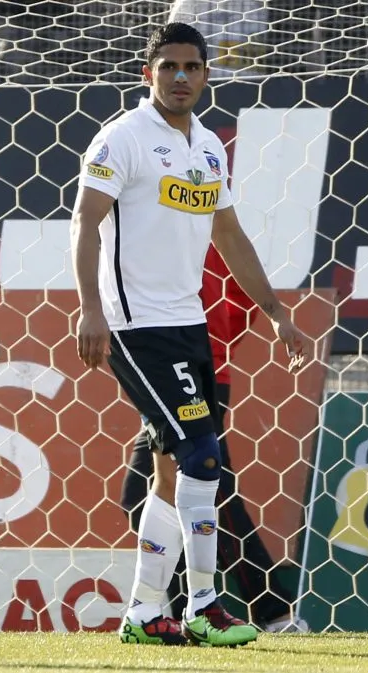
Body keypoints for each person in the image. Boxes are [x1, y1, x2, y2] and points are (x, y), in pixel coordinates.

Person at [71, 22, 308, 647]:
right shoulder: (122, 137)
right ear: (148, 73)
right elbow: (86, 220)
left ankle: (146, 612)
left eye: (191, 67)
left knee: (171, 472)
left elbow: (228, 235)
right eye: (168, 66)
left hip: (187, 324)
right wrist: (91, 308)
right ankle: (204, 605)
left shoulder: (205, 146)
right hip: (135, 324)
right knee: (203, 456)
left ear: (207, 75)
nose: (180, 77)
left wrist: (277, 310)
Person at [120, 245, 309, 633]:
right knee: (151, 493)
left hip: (196, 369)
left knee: (207, 486)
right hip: (165, 370)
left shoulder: (197, 221)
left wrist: (213, 347)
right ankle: (163, 615)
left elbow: (241, 291)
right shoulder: (162, 221)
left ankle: (271, 611)